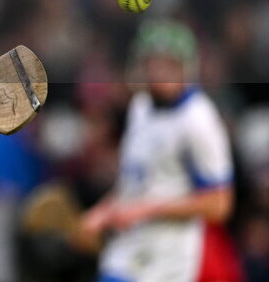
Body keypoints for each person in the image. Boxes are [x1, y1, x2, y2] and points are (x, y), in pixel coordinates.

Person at [81, 19, 237, 282]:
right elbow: (135, 182)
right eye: (152, 63)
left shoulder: (199, 121)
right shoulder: (140, 107)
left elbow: (219, 204)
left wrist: (145, 210)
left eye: (169, 65)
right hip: (125, 252)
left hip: (165, 262)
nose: (159, 73)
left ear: (186, 68)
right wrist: (102, 212)